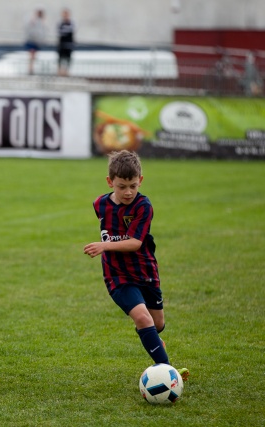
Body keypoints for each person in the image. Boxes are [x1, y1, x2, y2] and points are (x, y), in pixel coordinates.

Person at [83, 150, 189, 380]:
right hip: (117, 276)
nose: (128, 191)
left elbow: (135, 243)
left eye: (133, 185)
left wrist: (104, 246)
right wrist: (107, 249)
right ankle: (168, 372)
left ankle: (148, 333)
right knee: (143, 318)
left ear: (140, 180)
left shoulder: (143, 206)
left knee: (157, 323)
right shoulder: (99, 204)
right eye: (121, 186)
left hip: (145, 270)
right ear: (110, 182)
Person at [24, 8, 47, 75]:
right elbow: (29, 28)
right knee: (32, 55)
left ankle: (31, 69)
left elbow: (42, 31)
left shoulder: (41, 21)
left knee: (33, 56)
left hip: (37, 41)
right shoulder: (33, 20)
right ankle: (30, 69)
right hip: (31, 40)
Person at [57, 8, 75, 76]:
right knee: (60, 59)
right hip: (62, 45)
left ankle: (66, 72)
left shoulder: (71, 23)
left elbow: (71, 31)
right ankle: (60, 72)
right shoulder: (60, 23)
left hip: (69, 45)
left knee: (68, 59)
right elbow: (60, 32)